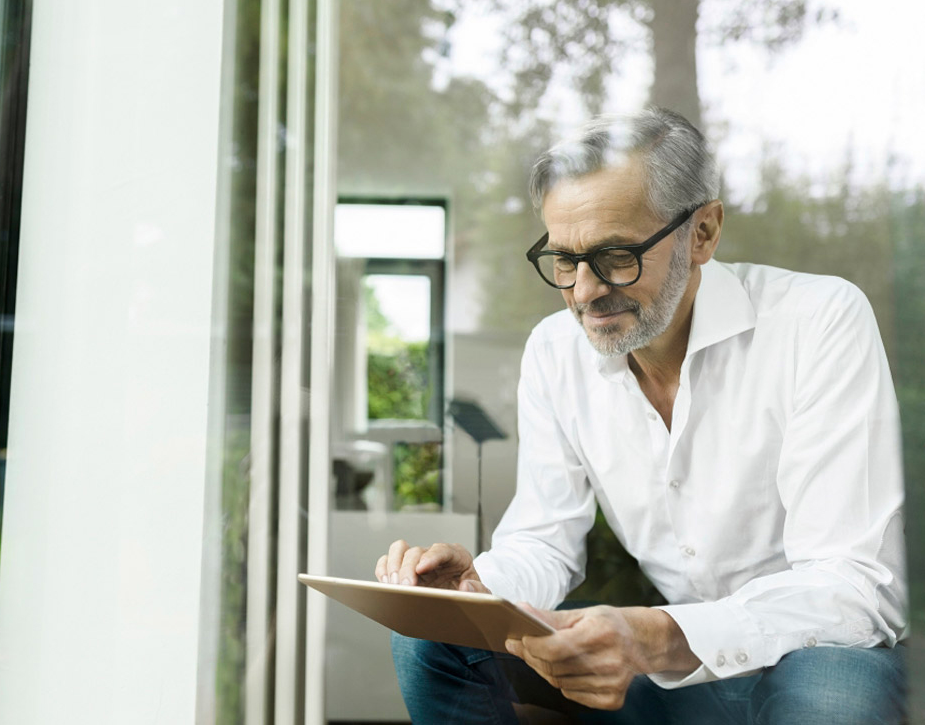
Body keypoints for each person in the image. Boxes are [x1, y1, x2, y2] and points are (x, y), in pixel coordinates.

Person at [375, 107, 907, 724]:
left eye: (615, 256)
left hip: (814, 659)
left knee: (834, 702)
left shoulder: (819, 321)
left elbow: (855, 583)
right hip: (669, 676)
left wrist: (654, 635)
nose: (583, 292)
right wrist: (481, 590)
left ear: (703, 232)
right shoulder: (555, 351)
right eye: (565, 259)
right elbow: (545, 540)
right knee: (431, 635)